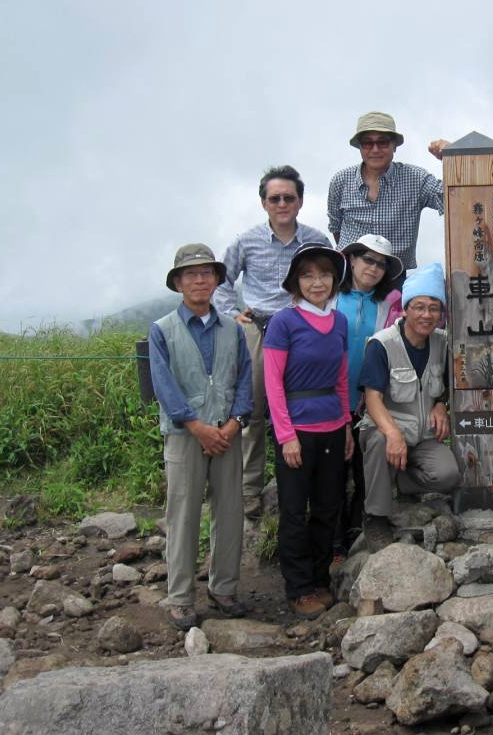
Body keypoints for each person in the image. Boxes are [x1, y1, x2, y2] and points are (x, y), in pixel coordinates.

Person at [215, 165, 333, 519]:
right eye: (275, 198)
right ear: (264, 202)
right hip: (258, 329)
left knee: (301, 406)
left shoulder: (316, 240)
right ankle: (250, 490)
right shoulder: (246, 240)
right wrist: (229, 312)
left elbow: (330, 283)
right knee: (251, 411)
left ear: (300, 201)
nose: (282, 204)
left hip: (303, 329)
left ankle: (300, 485)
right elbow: (223, 279)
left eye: (289, 197)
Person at [148, 244, 253, 630]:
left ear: (216, 279)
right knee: (183, 514)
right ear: (178, 282)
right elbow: (164, 384)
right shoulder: (162, 330)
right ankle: (180, 598)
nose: (199, 280)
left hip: (227, 433)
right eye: (190, 274)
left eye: (206, 273)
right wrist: (195, 425)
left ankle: (223, 589)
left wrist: (234, 422)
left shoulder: (232, 329)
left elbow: (244, 379)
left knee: (229, 513)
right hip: (184, 436)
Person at [263, 243, 352, 619]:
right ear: (296, 282)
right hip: (297, 429)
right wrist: (285, 436)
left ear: (335, 280)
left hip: (333, 425)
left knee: (328, 507)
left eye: (325, 274)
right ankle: (298, 588)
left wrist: (347, 426)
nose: (318, 282)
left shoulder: (340, 321)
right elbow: (272, 382)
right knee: (295, 511)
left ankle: (319, 580)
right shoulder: (284, 321)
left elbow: (343, 379)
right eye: (308, 275)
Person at [357, 262, 462, 551]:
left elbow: (450, 388)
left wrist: (441, 404)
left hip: (423, 436)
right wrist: (392, 433)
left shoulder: (442, 343)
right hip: (386, 428)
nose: (426, 315)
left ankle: (398, 482)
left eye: (433, 308)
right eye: (418, 306)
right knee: (379, 440)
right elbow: (372, 398)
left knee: (448, 473)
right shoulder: (382, 344)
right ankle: (376, 517)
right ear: (405, 309)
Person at [328, 234, 405, 557]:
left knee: (364, 471)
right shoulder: (329, 296)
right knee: (332, 474)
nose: (373, 268)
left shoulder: (391, 302)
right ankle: (333, 546)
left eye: (381, 263)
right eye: (368, 260)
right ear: (352, 260)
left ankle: (358, 537)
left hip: (372, 398)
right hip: (330, 398)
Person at [327, 111, 448, 272]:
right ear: (360, 147)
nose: (375, 149)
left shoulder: (416, 179)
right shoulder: (340, 181)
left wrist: (453, 157)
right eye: (367, 143)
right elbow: (336, 227)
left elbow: (455, 200)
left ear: (394, 146)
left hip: (393, 278)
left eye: (383, 142)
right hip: (350, 277)